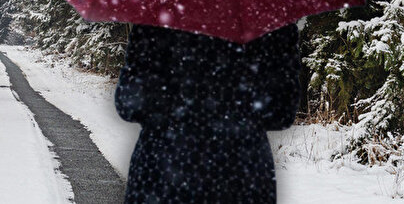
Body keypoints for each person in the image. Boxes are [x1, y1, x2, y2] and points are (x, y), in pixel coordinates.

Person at [115, 22, 301, 203]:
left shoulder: (158, 11)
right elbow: (282, 112)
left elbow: (129, 105)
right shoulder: (269, 17)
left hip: (163, 169)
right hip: (242, 172)